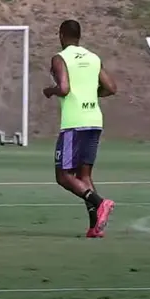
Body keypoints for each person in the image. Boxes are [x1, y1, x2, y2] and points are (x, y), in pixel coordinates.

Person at [43, 19, 117, 238]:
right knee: (84, 176)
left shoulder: (60, 58)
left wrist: (50, 90)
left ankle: (100, 202)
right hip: (94, 120)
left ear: (61, 35)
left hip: (74, 123)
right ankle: (95, 226)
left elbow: (64, 88)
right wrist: (91, 96)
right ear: (79, 36)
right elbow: (111, 88)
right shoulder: (93, 58)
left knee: (63, 176)